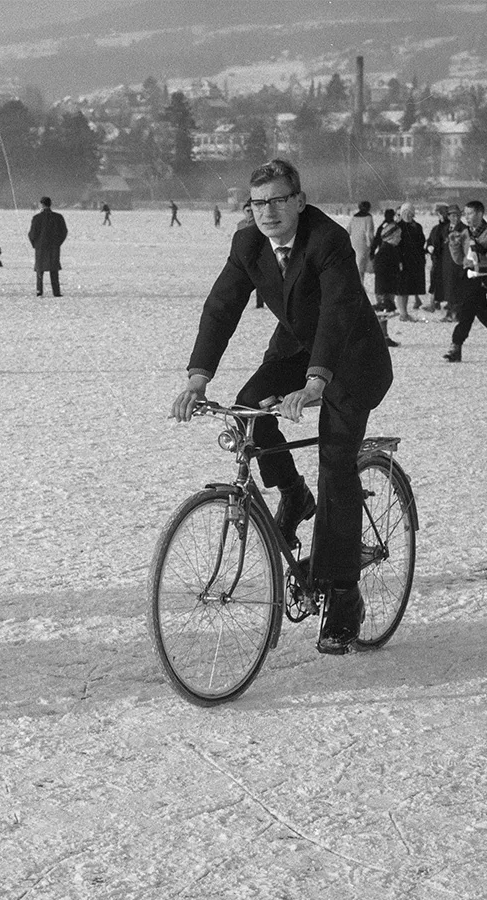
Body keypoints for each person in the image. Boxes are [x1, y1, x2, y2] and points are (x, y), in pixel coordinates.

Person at [169, 158, 394, 656]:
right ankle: (293, 494)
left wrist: (317, 381)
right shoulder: (248, 242)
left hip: (352, 359)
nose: (266, 211)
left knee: (336, 464)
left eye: (276, 200)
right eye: (257, 202)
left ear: (299, 200)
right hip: (295, 348)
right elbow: (222, 305)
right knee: (251, 410)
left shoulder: (327, 240)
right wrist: (197, 378)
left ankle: (343, 597)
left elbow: (336, 312)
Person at [443, 200, 487, 363]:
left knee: (467, 310)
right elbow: (459, 260)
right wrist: (454, 245)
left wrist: (485, 250)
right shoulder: (464, 234)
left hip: (484, 275)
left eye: (470, 214)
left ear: (480, 214)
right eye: (465, 214)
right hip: (469, 275)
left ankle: (456, 345)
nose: (466, 217)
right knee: (481, 312)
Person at [28, 196, 68, 297]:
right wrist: (58, 243)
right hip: (54, 246)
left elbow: (32, 234)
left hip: (40, 247)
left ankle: (39, 291)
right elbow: (64, 232)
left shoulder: (37, 218)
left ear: (41, 204)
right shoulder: (58, 217)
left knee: (39, 269)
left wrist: (35, 244)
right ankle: (56, 291)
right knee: (54, 269)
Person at [395, 203, 425, 321]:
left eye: (409, 212)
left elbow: (421, 242)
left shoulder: (417, 226)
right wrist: (398, 261)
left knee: (408, 288)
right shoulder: (397, 227)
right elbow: (395, 245)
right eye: (405, 212)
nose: (407, 215)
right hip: (402, 261)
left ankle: (405, 313)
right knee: (402, 289)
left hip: (414, 261)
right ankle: (403, 313)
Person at [369, 208, 401, 312]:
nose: (400, 239)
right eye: (398, 236)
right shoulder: (386, 252)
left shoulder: (391, 249)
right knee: (383, 317)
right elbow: (381, 275)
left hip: (388, 291)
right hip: (385, 293)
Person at [424, 204, 451, 316]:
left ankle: (448, 302)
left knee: (446, 280)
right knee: (435, 280)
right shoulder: (436, 228)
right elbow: (430, 240)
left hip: (446, 259)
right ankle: (434, 303)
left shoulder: (450, 228)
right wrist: (428, 247)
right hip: (436, 259)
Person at [347, 201, 373, 287]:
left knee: (357, 263)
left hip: (354, 242)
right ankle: (360, 283)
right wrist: (371, 244)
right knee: (362, 265)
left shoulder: (354, 217)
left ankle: (358, 283)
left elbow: (348, 230)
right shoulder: (368, 218)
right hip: (363, 243)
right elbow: (369, 233)